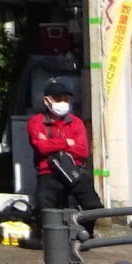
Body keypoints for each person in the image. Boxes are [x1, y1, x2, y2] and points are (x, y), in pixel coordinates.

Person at [27, 86, 93, 230]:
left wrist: (50, 142)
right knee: (45, 205)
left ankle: (87, 235)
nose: (63, 103)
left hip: (74, 171)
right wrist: (67, 142)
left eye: (66, 99)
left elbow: (83, 151)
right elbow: (41, 147)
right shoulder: (36, 121)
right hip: (48, 172)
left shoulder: (76, 122)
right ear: (47, 101)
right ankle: (49, 239)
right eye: (58, 99)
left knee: (93, 205)